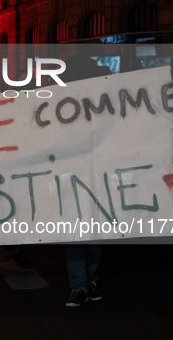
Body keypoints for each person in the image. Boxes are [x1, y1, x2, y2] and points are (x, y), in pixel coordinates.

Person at [60, 55, 109, 308]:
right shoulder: (60, 105)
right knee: (74, 232)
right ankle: (79, 284)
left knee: (94, 230)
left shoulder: (102, 103)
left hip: (97, 175)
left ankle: (90, 280)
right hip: (70, 176)